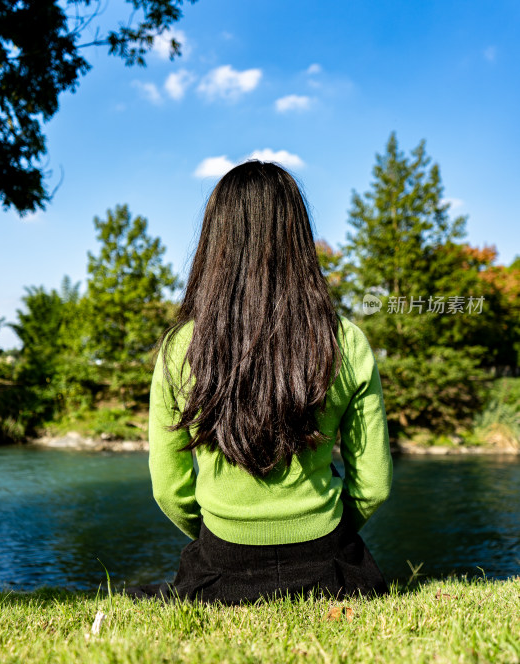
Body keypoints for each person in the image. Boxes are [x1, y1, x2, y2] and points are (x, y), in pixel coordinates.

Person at [128, 160, 392, 605]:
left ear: (216, 239)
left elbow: (168, 490)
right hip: (330, 564)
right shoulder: (345, 340)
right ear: (299, 237)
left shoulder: (179, 347)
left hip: (220, 565)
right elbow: (374, 485)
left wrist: (221, 536)